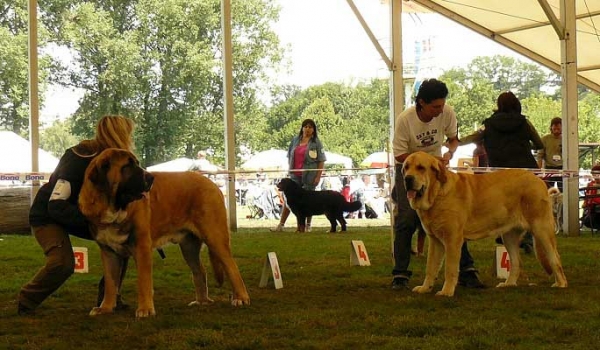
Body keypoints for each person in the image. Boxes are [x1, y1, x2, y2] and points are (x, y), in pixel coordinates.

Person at [18, 115, 136, 315]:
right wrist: (93, 220)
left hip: (82, 216)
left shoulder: (115, 162)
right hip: (46, 215)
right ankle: (26, 300)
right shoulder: (79, 157)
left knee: (121, 245)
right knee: (62, 263)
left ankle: (109, 299)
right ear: (121, 134)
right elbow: (56, 205)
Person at [390, 78, 484, 290]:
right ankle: (400, 274)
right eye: (435, 106)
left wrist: (450, 152)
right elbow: (399, 154)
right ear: (422, 103)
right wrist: (421, 161)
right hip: (409, 167)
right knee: (406, 220)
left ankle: (467, 271)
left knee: (453, 218)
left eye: (442, 105)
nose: (440, 110)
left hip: (436, 169)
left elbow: (453, 138)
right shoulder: (405, 120)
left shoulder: (447, 112)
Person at [461, 91, 544, 253]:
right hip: (525, 172)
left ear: (499, 105)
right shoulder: (524, 123)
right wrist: (526, 146)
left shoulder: (489, 124)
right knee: (529, 208)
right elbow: (539, 143)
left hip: (500, 175)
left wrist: (453, 142)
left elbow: (473, 137)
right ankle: (527, 237)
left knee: (503, 205)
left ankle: (503, 230)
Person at [270, 118, 326, 232]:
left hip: (309, 176)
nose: (307, 129)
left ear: (314, 130)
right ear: (302, 128)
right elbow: (289, 157)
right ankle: (281, 224)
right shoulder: (295, 140)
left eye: (310, 127)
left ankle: (307, 225)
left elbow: (321, 160)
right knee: (289, 200)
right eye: (305, 126)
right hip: (294, 176)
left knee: (309, 201)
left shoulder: (317, 143)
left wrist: (318, 176)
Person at [537, 117, 563, 191]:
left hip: (562, 168)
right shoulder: (545, 139)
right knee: (547, 190)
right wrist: (538, 171)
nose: (556, 131)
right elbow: (540, 155)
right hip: (549, 168)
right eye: (555, 129)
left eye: (558, 129)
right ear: (551, 128)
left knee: (563, 191)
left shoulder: (566, 139)